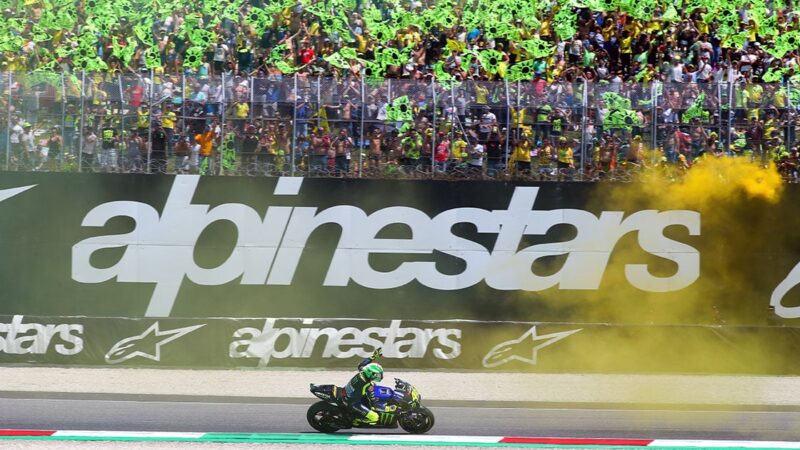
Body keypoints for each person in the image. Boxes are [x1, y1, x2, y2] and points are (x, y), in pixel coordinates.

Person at [340, 348, 389, 426]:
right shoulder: (367, 385)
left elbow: (362, 364)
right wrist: (387, 408)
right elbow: (374, 403)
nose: (379, 376)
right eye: (377, 374)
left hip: (348, 393)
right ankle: (355, 421)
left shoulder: (363, 371)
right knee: (375, 417)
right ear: (370, 374)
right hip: (353, 402)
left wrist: (373, 356)